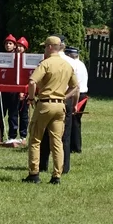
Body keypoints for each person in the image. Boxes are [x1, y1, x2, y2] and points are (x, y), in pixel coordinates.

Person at [23, 36, 78, 185]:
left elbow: (32, 81)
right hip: (60, 105)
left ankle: (34, 174)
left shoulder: (45, 64)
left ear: (49, 47)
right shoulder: (67, 65)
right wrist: (64, 97)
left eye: (45, 47)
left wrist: (31, 97)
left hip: (45, 104)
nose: (44, 49)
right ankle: (56, 176)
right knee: (57, 142)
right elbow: (75, 86)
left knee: (35, 139)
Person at [39, 36, 79, 174]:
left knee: (43, 135)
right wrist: (72, 102)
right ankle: (63, 168)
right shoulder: (71, 62)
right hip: (64, 99)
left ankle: (41, 165)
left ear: (51, 46)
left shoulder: (46, 61)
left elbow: (35, 81)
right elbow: (76, 87)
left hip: (48, 100)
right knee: (63, 137)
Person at [66, 45, 88, 153]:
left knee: (72, 120)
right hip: (83, 94)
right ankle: (75, 146)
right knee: (76, 121)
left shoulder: (73, 65)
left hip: (77, 94)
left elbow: (75, 86)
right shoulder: (81, 64)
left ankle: (73, 146)